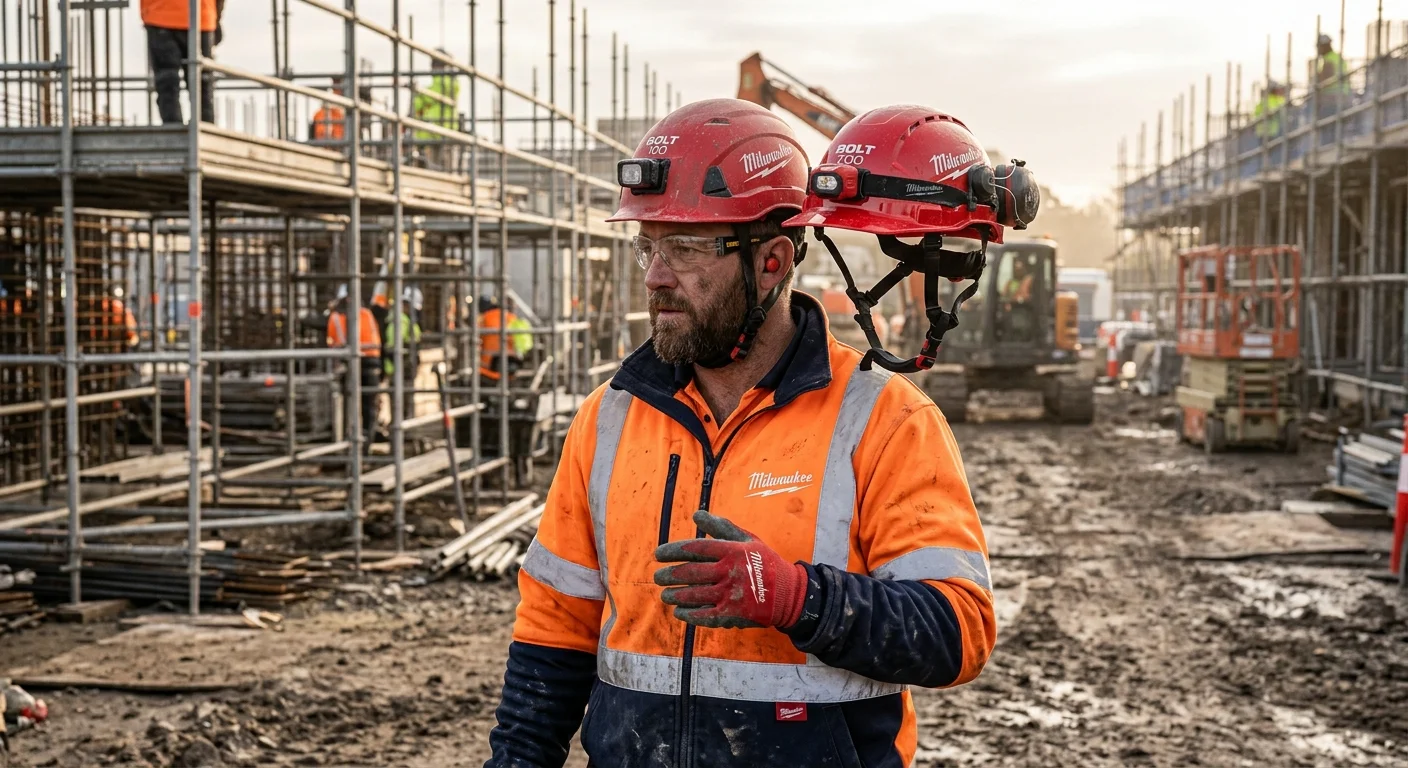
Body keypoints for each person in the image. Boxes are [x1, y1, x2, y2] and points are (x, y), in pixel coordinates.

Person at [484, 99, 997, 767]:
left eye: (686, 248)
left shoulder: (885, 420)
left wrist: (798, 598)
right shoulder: (606, 419)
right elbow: (553, 638)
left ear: (773, 262)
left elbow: (957, 633)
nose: (655, 276)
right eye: (648, 246)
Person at [141, 0, 217, 126]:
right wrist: (215, 18)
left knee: (167, 80)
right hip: (201, 17)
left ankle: (173, 128)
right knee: (201, 82)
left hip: (160, 15)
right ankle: (206, 128)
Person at [326, 285, 382, 445]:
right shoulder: (366, 314)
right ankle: (363, 445)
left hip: (351, 363)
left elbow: (332, 344)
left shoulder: (335, 317)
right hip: (369, 363)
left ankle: (349, 443)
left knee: (350, 405)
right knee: (367, 406)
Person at [411, 51, 460, 170]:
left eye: (434, 63)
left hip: (438, 131)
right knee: (444, 168)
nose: (431, 67)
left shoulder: (445, 83)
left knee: (436, 168)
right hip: (439, 132)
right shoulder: (451, 83)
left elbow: (423, 100)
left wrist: (418, 93)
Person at [477, 295, 533, 381]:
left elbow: (478, 339)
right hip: (512, 361)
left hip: (490, 365)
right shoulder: (511, 317)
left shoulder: (484, 318)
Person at [1316, 33, 1351, 110]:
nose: (1318, 50)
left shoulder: (1329, 59)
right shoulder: (1337, 57)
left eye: (1319, 46)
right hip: (1343, 96)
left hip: (1332, 97)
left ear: (1325, 46)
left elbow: (1326, 79)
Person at [310, 76, 347, 142]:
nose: (336, 85)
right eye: (335, 83)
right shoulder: (320, 112)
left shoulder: (343, 107)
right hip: (328, 140)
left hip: (338, 140)